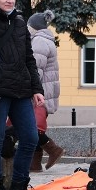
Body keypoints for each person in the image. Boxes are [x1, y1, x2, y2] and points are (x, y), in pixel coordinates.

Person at [0, 0, 45, 190]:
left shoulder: (18, 22)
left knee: (30, 138)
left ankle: (17, 188)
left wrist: (37, 89)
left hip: (21, 90)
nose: (9, 0)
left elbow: (29, 57)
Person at [27, 10, 63, 172]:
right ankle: (34, 165)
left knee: (31, 127)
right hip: (45, 90)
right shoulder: (45, 39)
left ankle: (53, 149)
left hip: (39, 92)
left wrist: (28, 88)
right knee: (33, 126)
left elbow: (36, 69)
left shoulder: (39, 41)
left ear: (33, 27)